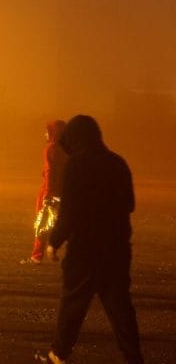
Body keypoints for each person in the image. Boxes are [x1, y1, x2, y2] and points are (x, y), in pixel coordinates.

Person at [40, 115, 143, 364]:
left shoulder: (77, 165)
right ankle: (133, 357)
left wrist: (55, 241)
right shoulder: (118, 163)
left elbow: (70, 211)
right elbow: (130, 203)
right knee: (120, 308)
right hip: (116, 247)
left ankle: (59, 352)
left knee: (73, 303)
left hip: (85, 249)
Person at [21, 120, 67, 264]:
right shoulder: (68, 148)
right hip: (65, 191)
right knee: (65, 222)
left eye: (47, 131)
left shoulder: (51, 148)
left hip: (50, 190)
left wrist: (47, 194)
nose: (45, 134)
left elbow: (50, 172)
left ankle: (37, 256)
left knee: (42, 223)